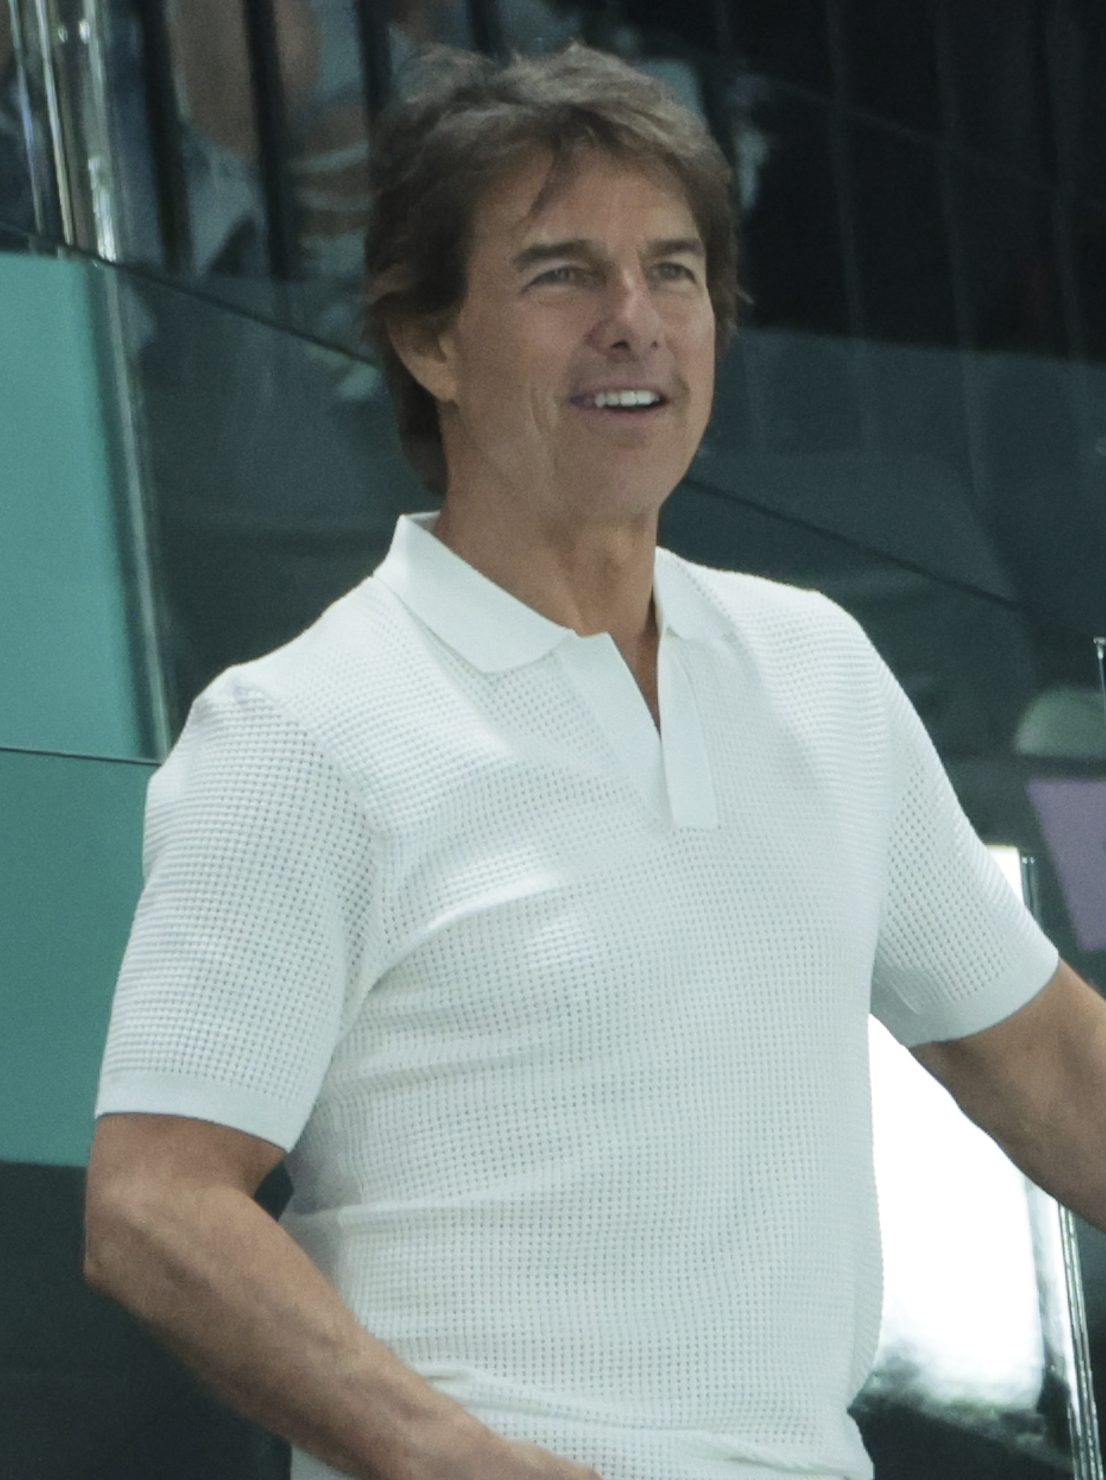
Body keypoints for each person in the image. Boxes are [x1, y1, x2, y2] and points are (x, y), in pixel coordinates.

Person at [84, 40, 1105, 1480]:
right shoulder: (299, 731)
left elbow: (1054, 1065)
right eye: (562, 274)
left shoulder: (816, 667)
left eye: (672, 272)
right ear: (429, 341)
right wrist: (446, 1458)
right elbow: (152, 1207)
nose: (634, 321)